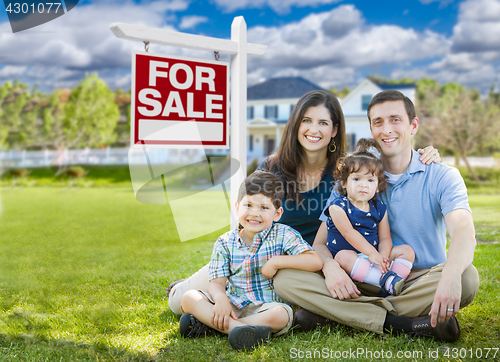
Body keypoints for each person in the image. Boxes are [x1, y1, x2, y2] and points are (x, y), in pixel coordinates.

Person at [167, 89, 440, 316]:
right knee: (178, 302)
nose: (313, 129)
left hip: (310, 265)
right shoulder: (272, 168)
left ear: (334, 130)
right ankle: (187, 289)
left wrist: (426, 152)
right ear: (296, 124)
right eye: (307, 121)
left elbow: (388, 161)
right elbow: (250, 217)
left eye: (323, 123)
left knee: (277, 302)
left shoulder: (346, 173)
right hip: (261, 256)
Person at [274, 90, 479, 343]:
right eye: (378, 122)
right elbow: (320, 242)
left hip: (413, 280)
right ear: (371, 128)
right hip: (357, 275)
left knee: (466, 277)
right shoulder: (355, 177)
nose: (387, 129)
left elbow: (463, 231)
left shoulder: (442, 175)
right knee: (284, 278)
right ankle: (404, 323)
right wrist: (330, 267)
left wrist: (450, 274)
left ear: (413, 125)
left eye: (395, 119)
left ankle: (335, 313)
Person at [179, 171, 323, 350]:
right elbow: (217, 283)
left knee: (282, 315)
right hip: (233, 303)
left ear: (277, 213)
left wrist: (276, 262)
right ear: (237, 207)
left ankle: (212, 327)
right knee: (189, 298)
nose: (254, 213)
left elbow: (315, 261)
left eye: (264, 208)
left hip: (265, 307)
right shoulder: (225, 242)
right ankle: (241, 330)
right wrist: (221, 300)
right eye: (248, 205)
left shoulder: (284, 234)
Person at [325, 138, 414, 297]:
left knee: (406, 251)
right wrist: (372, 254)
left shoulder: (379, 208)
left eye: (370, 180)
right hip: (349, 262)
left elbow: (385, 237)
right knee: (342, 256)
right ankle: (385, 281)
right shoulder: (338, 206)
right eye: (357, 178)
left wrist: (383, 258)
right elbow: (349, 233)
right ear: (344, 182)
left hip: (372, 259)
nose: (363, 184)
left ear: (378, 185)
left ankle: (391, 282)